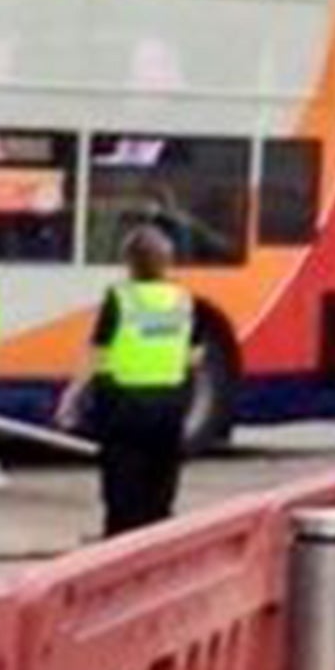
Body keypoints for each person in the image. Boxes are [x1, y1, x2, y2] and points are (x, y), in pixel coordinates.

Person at [57, 225, 201, 537]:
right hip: (168, 405)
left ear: (130, 262)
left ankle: (120, 545)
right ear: (167, 261)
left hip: (124, 405)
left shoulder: (120, 298)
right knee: (159, 488)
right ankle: (153, 547)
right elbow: (195, 355)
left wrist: (71, 395)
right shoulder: (184, 300)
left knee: (122, 489)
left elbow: (97, 351)